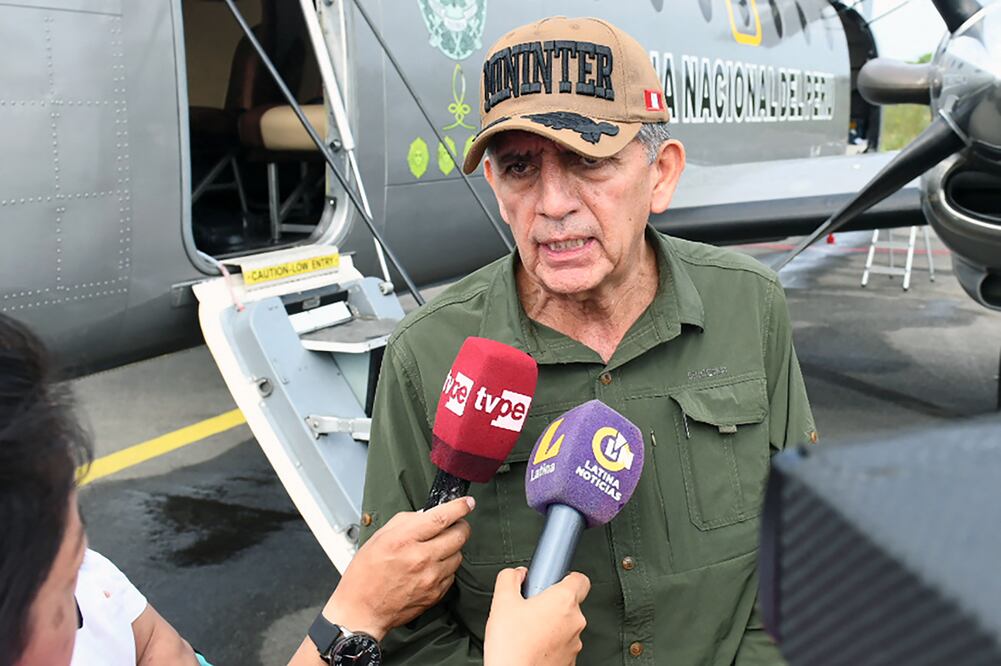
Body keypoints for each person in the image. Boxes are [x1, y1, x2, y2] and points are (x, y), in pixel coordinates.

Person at [359, 16, 817, 665]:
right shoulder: (427, 355)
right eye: (519, 167)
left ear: (660, 175)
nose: (551, 203)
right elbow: (403, 623)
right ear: (494, 187)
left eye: (588, 159)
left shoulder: (749, 305)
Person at [0, 314, 589, 666]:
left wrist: (353, 615)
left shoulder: (92, 586)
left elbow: (151, 642)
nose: (85, 596)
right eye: (61, 598)